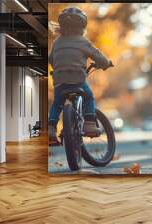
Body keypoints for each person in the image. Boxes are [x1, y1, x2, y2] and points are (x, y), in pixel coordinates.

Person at [48, 7, 113, 145]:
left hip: (59, 80)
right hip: (77, 79)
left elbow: (51, 59)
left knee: (57, 104)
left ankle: (51, 129)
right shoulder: (82, 41)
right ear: (82, 26)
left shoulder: (57, 42)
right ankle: (89, 124)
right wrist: (106, 63)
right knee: (88, 97)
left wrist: (60, 67)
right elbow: (98, 56)